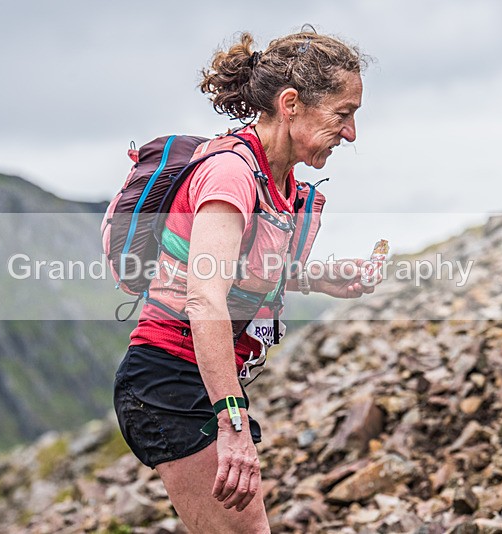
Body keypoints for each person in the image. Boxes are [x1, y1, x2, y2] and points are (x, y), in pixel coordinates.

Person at [113, 28, 380, 533]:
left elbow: (239, 271)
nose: (351, 134)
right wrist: (233, 424)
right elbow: (205, 297)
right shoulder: (231, 175)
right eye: (343, 115)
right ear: (291, 103)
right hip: (169, 381)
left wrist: (319, 279)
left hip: (196, 380)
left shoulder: (277, 180)